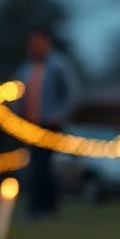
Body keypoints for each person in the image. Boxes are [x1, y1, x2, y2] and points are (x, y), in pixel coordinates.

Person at [13, 27, 80, 219]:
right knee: (36, 165)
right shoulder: (26, 67)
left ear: (47, 41)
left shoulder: (58, 66)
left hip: (50, 123)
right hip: (30, 124)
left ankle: (43, 207)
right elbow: (17, 91)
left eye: (37, 41)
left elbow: (71, 93)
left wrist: (59, 115)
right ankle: (40, 206)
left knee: (44, 165)